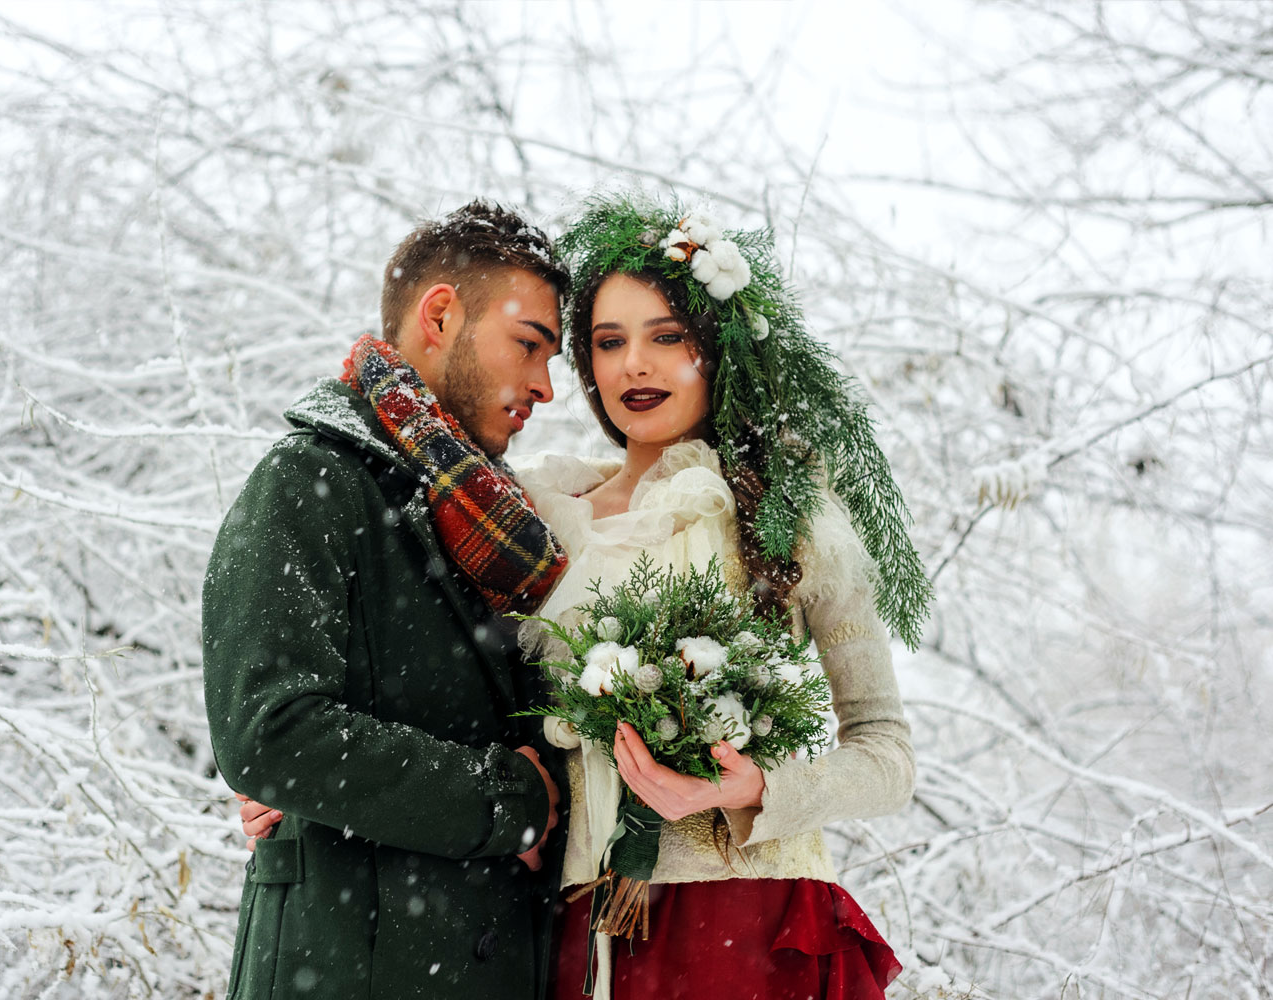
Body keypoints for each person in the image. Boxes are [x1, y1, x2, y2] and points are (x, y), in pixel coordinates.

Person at [238, 193, 933, 999]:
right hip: (573, 930)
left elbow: (887, 753)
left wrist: (757, 790)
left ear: (719, 349)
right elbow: (449, 699)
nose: (633, 364)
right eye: (608, 341)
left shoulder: (789, 516)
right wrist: (313, 780)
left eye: (667, 337)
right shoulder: (532, 519)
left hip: (745, 920)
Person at [201, 200, 570, 1000]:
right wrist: (507, 802)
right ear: (441, 314)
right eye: (530, 346)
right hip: (350, 968)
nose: (545, 386)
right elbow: (271, 732)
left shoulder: (506, 528)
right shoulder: (308, 481)